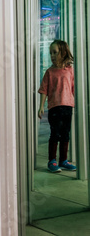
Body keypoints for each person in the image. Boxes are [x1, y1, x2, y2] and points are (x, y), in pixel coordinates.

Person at [38, 40, 76, 172]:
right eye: (50, 53)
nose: (52, 56)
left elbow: (73, 88)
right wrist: (41, 106)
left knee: (65, 134)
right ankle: (52, 161)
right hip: (54, 107)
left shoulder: (69, 70)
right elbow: (44, 90)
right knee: (55, 133)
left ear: (63, 53)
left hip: (68, 106)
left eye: (55, 52)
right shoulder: (49, 72)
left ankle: (63, 160)